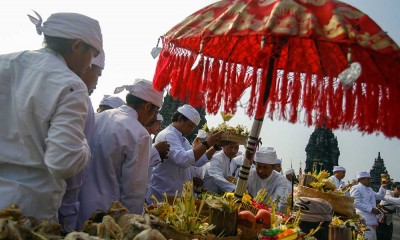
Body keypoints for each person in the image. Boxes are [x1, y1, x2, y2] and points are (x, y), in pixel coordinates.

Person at [0, 12, 102, 221]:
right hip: (27, 211)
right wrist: (83, 146)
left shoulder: (5, 63)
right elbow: (63, 162)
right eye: (92, 53)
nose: (90, 64)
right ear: (76, 46)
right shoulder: (71, 84)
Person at [77, 79, 163, 228]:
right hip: (105, 216)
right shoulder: (139, 133)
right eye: (156, 112)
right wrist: (130, 225)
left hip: (76, 205)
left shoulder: (99, 117)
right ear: (148, 106)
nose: (154, 117)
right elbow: (133, 191)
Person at [59, 50, 105, 233]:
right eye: (98, 73)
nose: (97, 81)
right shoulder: (79, 96)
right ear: (87, 64)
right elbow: (71, 166)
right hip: (50, 204)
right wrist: (68, 214)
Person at [147, 104, 223, 202]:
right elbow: (183, 160)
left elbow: (197, 161)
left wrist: (214, 147)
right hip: (164, 194)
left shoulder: (183, 140)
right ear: (180, 119)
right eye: (190, 126)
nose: (191, 130)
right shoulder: (168, 135)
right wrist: (208, 143)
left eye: (193, 127)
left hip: (177, 196)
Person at [247, 147, 288, 212]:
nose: (261, 171)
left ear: (273, 167)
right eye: (258, 166)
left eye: (265, 167)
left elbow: (278, 203)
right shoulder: (249, 175)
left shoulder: (280, 180)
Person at [350, 171, 386, 240]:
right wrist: (371, 209)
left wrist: (383, 186)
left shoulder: (370, 189)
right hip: (363, 220)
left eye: (370, 179)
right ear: (361, 179)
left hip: (372, 221)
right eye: (368, 179)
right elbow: (355, 203)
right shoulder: (356, 188)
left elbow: (380, 196)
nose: (370, 181)